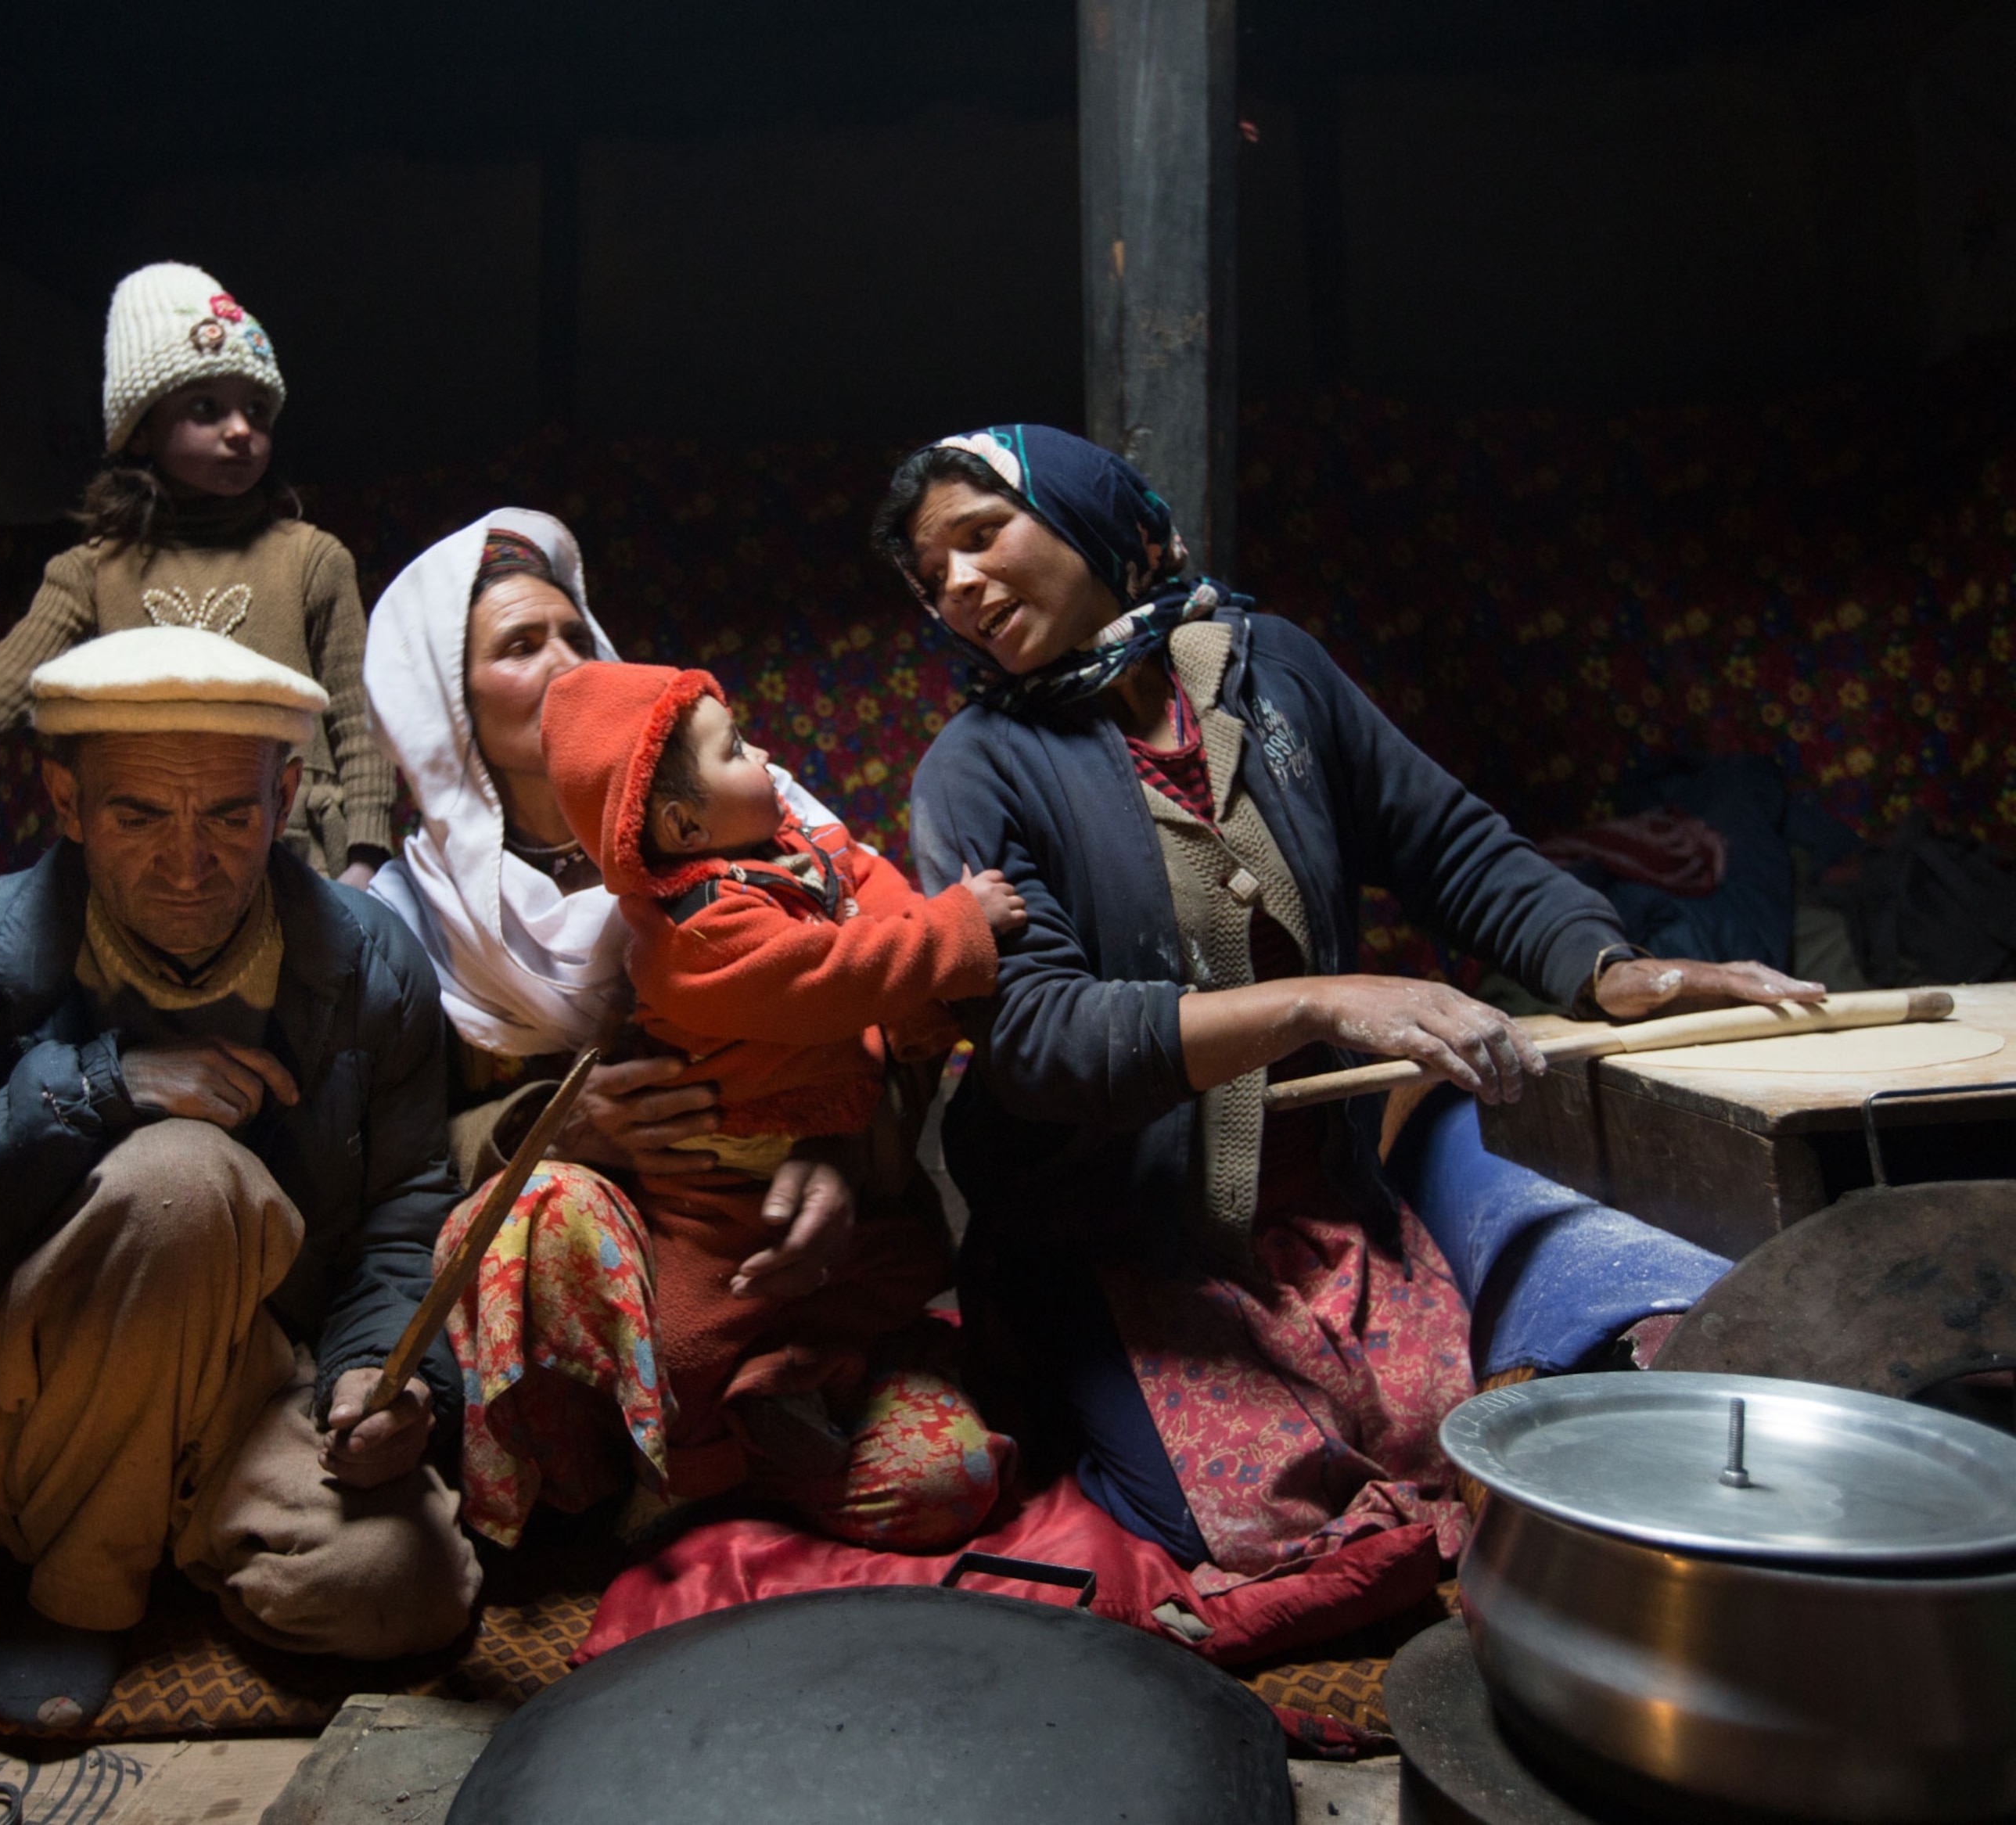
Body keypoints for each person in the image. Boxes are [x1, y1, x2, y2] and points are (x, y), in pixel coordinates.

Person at [876, 424, 1820, 1583]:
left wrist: (1607, 966)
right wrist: (1317, 1001)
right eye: (935, 580)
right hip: (1120, 1238)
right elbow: (1041, 1041)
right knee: (1267, 1523)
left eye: (982, 537)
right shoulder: (979, 768)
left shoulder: (1270, 672)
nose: (962, 588)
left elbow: (1445, 841)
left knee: (1469, 1444)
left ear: (1084, 512)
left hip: (1320, 1203)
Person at [0, 627, 480, 1732]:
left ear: (289, 795)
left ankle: (136, 1521)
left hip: (246, 1384)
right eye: (136, 815)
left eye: (229, 814)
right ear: (66, 804)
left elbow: (402, 1225)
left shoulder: (373, 965)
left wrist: (373, 1376)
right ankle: (86, 1582)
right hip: (6, 1399)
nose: (187, 861)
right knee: (178, 1180)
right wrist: (92, 1092)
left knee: (405, 1592)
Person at [363, 512, 1008, 1550]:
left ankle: (740, 1457)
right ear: (448, 710)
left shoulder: (755, 816)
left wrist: (839, 1143)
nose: (567, 663)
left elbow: (881, 979)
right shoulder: (418, 918)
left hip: (798, 1263)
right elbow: (391, 1163)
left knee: (947, 1484)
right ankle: (604, 1492)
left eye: (576, 634)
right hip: (635, 1282)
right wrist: (558, 1129)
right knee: (544, 1209)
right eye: (522, 647)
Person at [536, 659, 1022, 1479]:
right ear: (686, 828)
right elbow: (826, 976)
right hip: (718, 1175)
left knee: (911, 1260)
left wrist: (911, 974)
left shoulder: (788, 842)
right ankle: (690, 1466)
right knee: (688, 1338)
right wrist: (954, 931)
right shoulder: (692, 937)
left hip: (830, 1138)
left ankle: (786, 1375)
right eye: (736, 750)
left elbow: (869, 885)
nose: (764, 756)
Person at [0, 261, 392, 887]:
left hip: (296, 857)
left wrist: (364, 857)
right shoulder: (95, 571)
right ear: (142, 429)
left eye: (258, 411)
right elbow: (11, 673)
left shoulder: (312, 558)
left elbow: (358, 711)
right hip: (150, 864)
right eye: (207, 407)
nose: (241, 431)